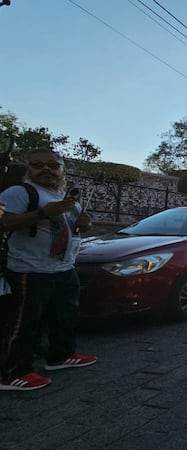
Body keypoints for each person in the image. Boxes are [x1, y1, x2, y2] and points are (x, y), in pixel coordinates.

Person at [0, 150, 96, 391]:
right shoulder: (20, 193)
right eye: (38, 165)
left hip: (63, 268)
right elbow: (5, 222)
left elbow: (73, 229)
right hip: (30, 269)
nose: (46, 170)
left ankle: (60, 356)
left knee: (64, 316)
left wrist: (86, 225)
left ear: (62, 169)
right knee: (24, 322)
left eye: (53, 165)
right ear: (28, 169)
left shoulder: (66, 197)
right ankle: (12, 373)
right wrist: (44, 213)